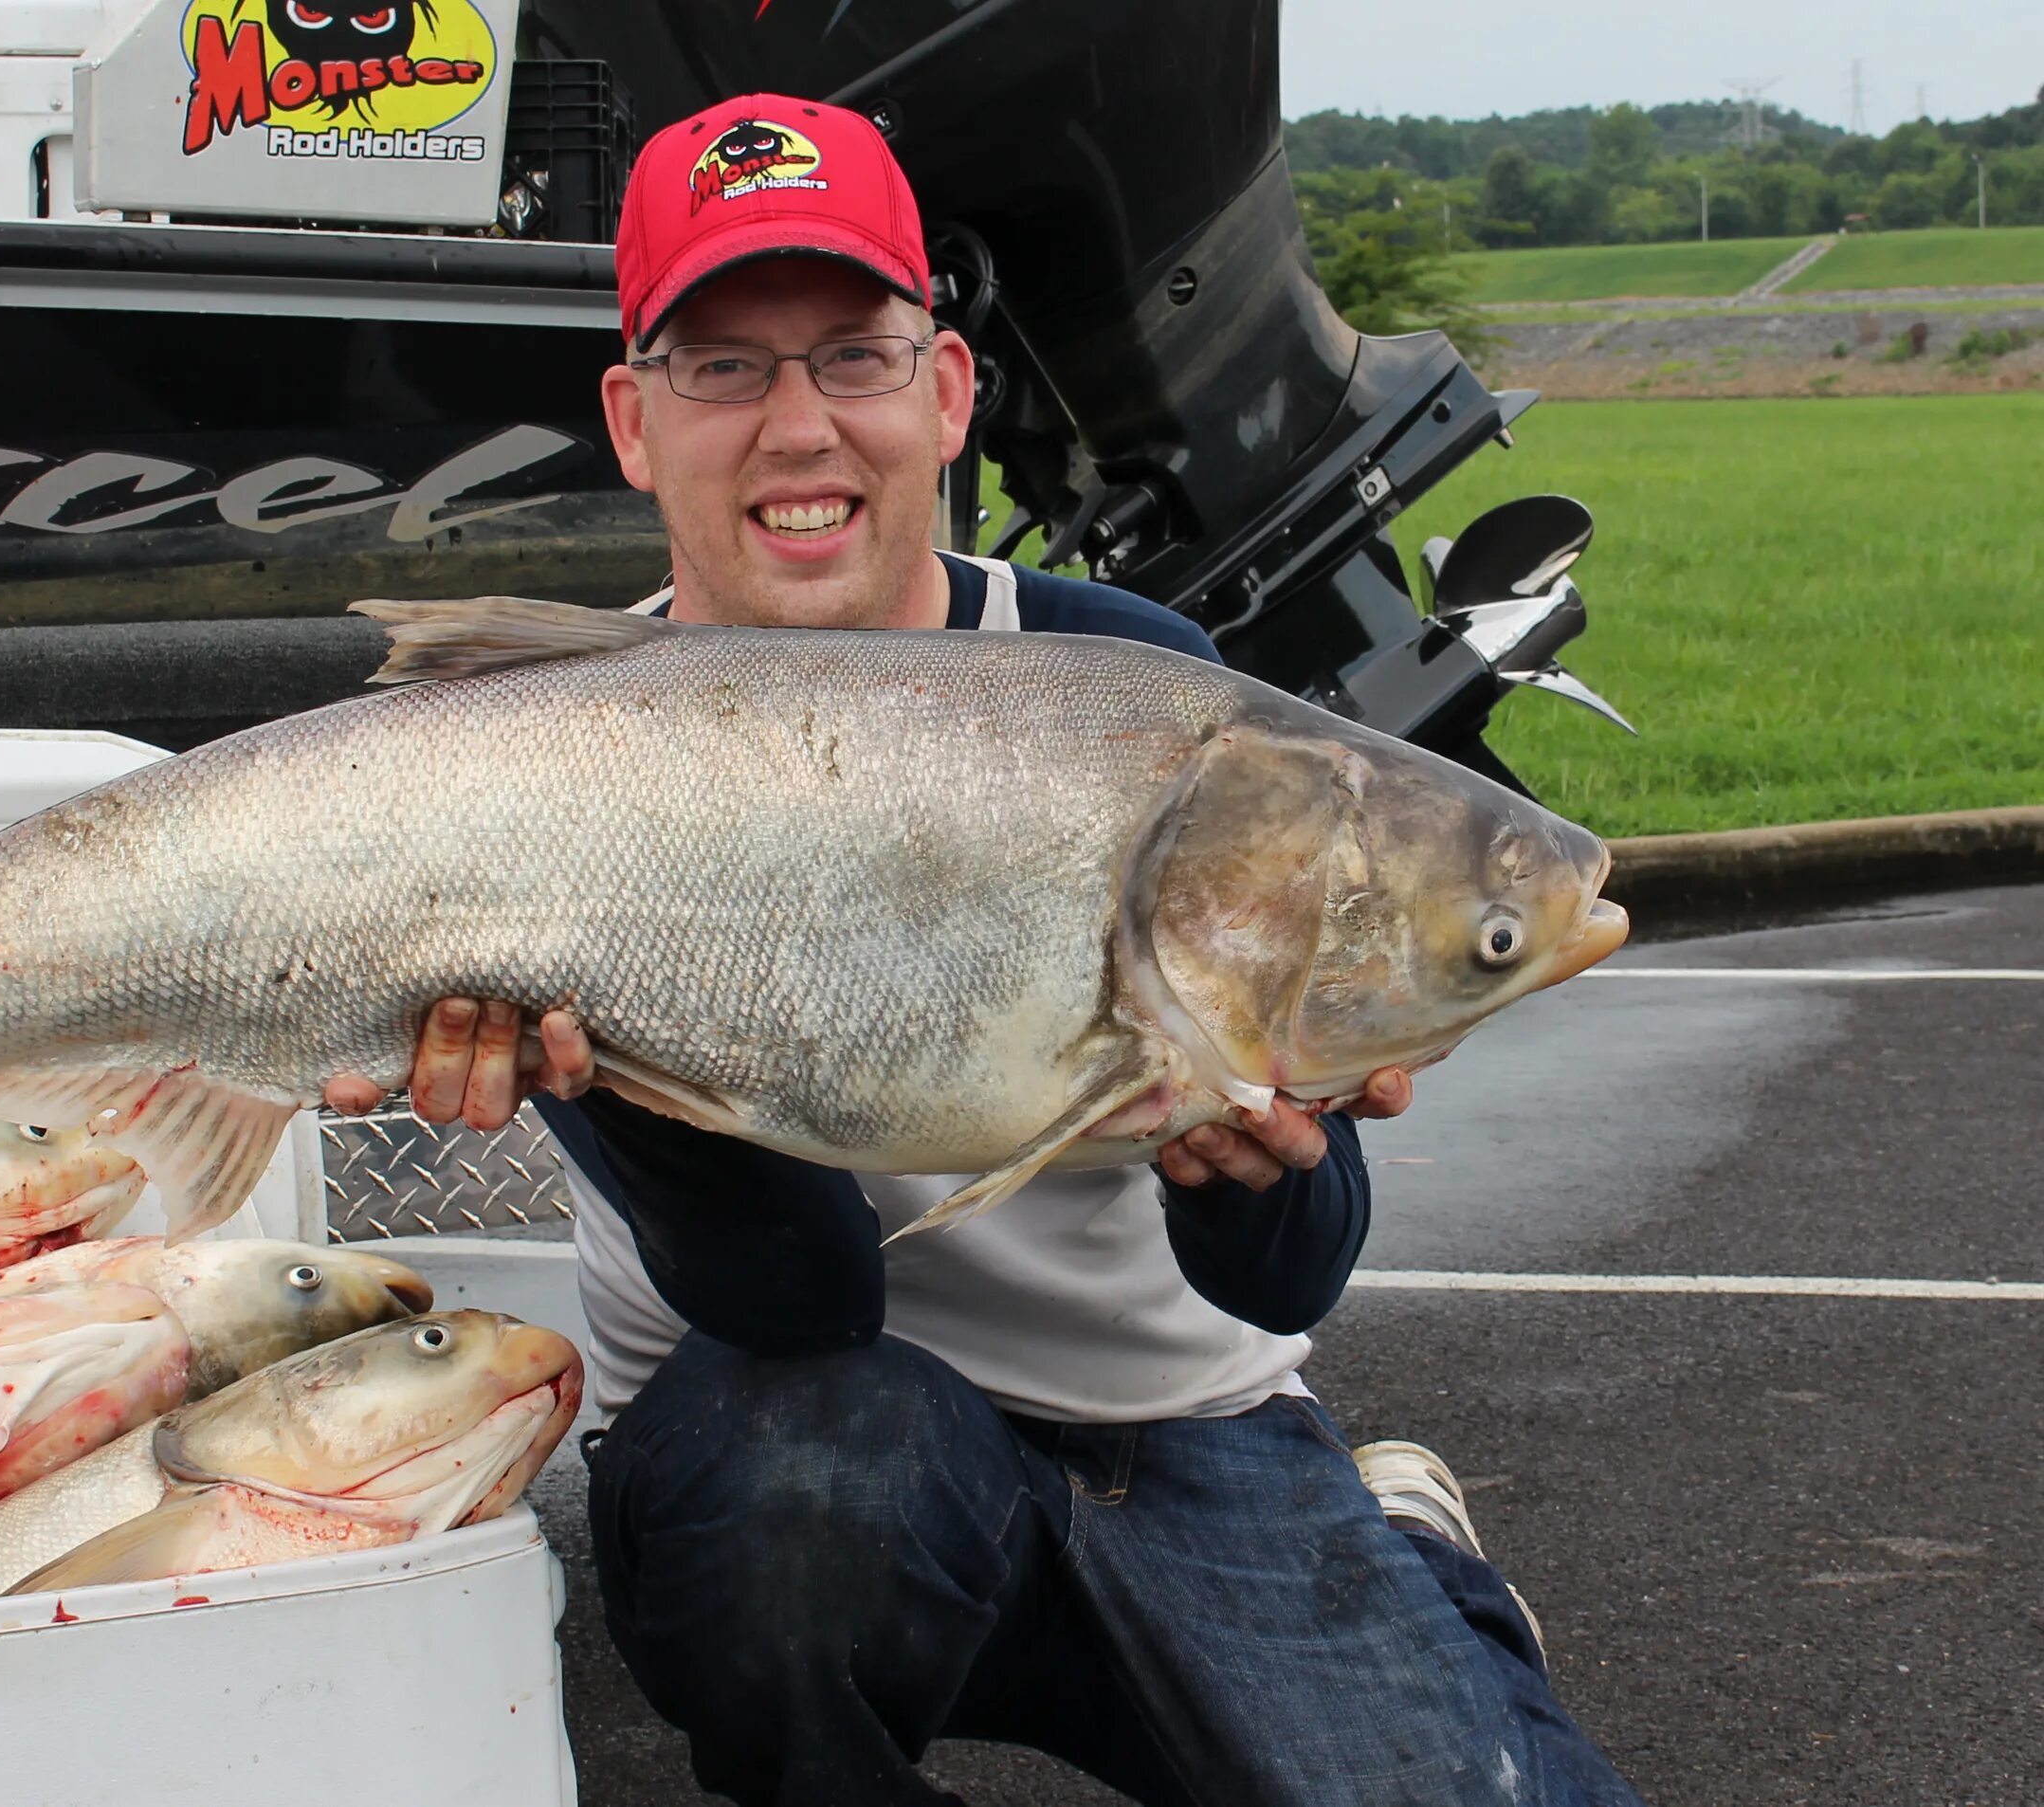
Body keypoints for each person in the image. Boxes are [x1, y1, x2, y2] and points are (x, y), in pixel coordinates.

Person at [322, 95, 1641, 1806]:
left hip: (1185, 1438)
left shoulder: (1137, 689)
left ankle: (1403, 1564)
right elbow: (802, 1296)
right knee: (800, 1488)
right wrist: (621, 1087)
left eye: (854, 358)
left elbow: (1288, 1277)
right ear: (632, 423)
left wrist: (1244, 1164)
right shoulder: (552, 749)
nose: (800, 428)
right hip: (790, 1446)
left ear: (944, 391)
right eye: (724, 368)